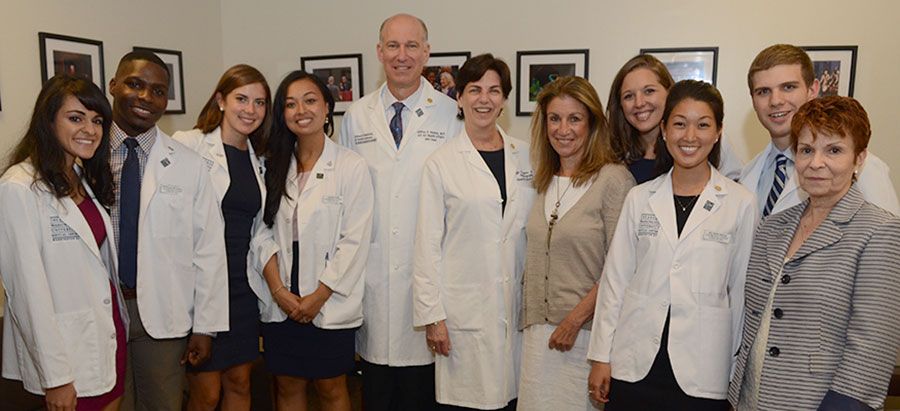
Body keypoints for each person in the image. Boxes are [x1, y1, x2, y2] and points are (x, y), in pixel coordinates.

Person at [587, 80, 757, 410]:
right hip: (635, 363)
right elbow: (615, 282)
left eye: (703, 125)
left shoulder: (740, 203)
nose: (690, 136)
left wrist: (734, 369)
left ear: (719, 131)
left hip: (704, 368)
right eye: (679, 124)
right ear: (664, 130)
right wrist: (601, 357)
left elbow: (741, 293)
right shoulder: (641, 197)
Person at [729, 96, 900, 411]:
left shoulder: (880, 230)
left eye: (833, 150)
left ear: (859, 158)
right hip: (751, 398)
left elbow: (872, 348)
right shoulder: (772, 226)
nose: (816, 162)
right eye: (806, 150)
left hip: (820, 402)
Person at [338, 13, 463, 410]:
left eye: (412, 46)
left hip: (428, 284)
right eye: (393, 45)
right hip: (373, 282)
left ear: (427, 52)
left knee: (422, 394)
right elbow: (346, 198)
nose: (402, 55)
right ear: (379, 52)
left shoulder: (451, 115)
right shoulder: (356, 116)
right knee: (375, 393)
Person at [108, 51, 228, 411]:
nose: (146, 97)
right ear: (113, 86)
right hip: (102, 309)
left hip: (160, 315)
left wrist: (206, 327)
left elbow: (208, 248)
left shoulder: (187, 164)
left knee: (163, 404)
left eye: (158, 91)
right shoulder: (84, 153)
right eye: (135, 84)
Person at [413, 53, 533, 410]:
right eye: (475, 89)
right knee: (468, 402)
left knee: (514, 400)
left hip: (515, 310)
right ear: (460, 97)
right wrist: (432, 317)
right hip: (463, 312)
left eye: (494, 90)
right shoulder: (441, 163)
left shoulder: (527, 157)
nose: (485, 99)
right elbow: (426, 246)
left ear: (504, 99)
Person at [0, 75, 125, 411]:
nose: (90, 129)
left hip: (106, 332)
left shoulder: (81, 176)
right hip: (66, 355)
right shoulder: (19, 187)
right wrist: (55, 377)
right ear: (48, 120)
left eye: (97, 120)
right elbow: (27, 292)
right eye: (75, 118)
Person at [254, 70, 373, 411]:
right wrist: (279, 292)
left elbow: (355, 241)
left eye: (309, 100)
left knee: (332, 388)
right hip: (282, 303)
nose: (300, 110)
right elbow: (260, 233)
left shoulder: (351, 166)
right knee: (287, 387)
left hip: (329, 302)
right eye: (290, 104)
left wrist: (318, 297)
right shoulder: (271, 164)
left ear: (326, 107)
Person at [517, 76, 634, 411]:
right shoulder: (541, 180)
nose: (562, 129)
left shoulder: (613, 179)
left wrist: (574, 320)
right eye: (555, 118)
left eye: (574, 119)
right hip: (538, 335)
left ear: (592, 124)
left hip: (585, 337)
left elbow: (621, 267)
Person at [171, 64, 271, 411]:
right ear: (221, 100)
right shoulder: (188, 144)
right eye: (241, 99)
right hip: (200, 287)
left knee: (240, 383)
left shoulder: (259, 159)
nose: (250, 109)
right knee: (206, 392)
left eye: (259, 103)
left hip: (242, 289)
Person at [738, 44, 899, 217]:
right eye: (763, 91)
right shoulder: (748, 173)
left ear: (812, 90)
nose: (775, 101)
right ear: (753, 100)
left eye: (788, 87)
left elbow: (886, 236)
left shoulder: (862, 168)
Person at [606, 55, 743, 184]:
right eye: (629, 96)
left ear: (669, 92)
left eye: (649, 91)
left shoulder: (704, 140)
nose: (639, 103)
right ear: (620, 105)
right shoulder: (612, 152)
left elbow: (734, 193)